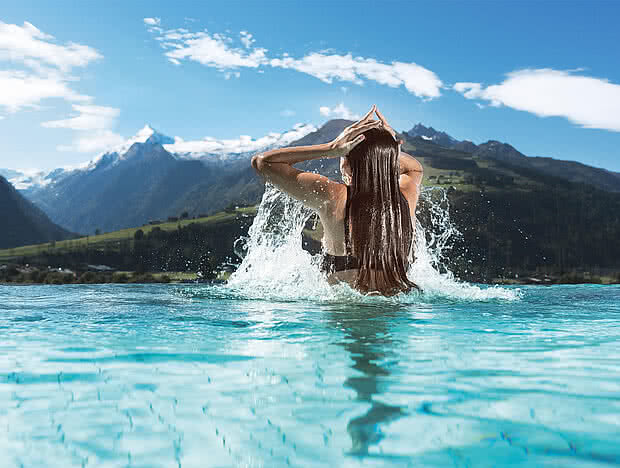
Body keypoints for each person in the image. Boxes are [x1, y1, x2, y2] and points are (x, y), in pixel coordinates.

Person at [251, 105, 423, 296]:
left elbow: (263, 162)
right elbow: (414, 168)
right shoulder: (406, 197)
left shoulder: (334, 195)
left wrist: (331, 148)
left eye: (342, 155)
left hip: (344, 312)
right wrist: (387, 146)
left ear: (348, 162)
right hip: (396, 313)